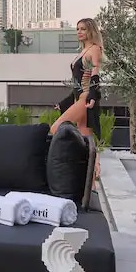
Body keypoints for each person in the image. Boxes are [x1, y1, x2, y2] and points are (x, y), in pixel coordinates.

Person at [51, 17, 103, 180]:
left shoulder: (94, 49)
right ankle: (92, 175)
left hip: (85, 98)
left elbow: (95, 74)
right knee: (86, 140)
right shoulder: (83, 50)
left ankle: (73, 165)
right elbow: (77, 83)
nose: (79, 32)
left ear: (91, 31)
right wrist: (65, 102)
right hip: (78, 97)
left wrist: (93, 97)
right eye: (78, 29)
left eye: (83, 29)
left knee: (56, 128)